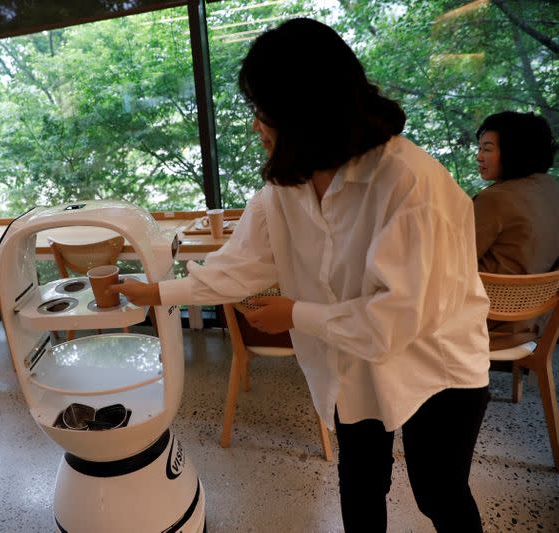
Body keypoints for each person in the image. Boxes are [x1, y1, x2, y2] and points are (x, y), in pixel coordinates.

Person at [111, 18, 490, 533]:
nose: (255, 126)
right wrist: (153, 290)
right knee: (359, 483)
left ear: (305, 112)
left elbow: (395, 321)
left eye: (261, 113)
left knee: (439, 492)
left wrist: (296, 314)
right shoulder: (286, 185)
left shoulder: (412, 186)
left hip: (436, 365)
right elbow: (240, 266)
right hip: (351, 361)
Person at [473, 111, 559, 349]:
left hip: (487, 326)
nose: (478, 157)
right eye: (479, 148)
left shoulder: (494, 200)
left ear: (514, 151)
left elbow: (452, 262)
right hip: (534, 323)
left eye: (487, 149)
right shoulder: (552, 190)